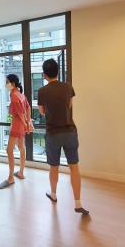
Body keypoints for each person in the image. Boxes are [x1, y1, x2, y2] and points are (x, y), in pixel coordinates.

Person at [37, 59, 89, 215]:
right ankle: (78, 203)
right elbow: (69, 105)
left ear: (45, 75)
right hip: (69, 132)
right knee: (74, 167)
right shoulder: (68, 87)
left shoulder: (42, 91)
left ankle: (53, 194)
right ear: (58, 72)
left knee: (54, 167)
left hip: (53, 134)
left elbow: (41, 111)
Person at [0, 74, 34, 189]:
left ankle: (10, 178)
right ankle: (21, 172)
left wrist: (25, 125)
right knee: (21, 147)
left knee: (9, 150)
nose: (6, 84)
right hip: (21, 125)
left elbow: (19, 114)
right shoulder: (21, 94)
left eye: (7, 82)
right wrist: (28, 123)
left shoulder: (14, 95)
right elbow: (28, 108)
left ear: (13, 83)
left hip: (17, 125)